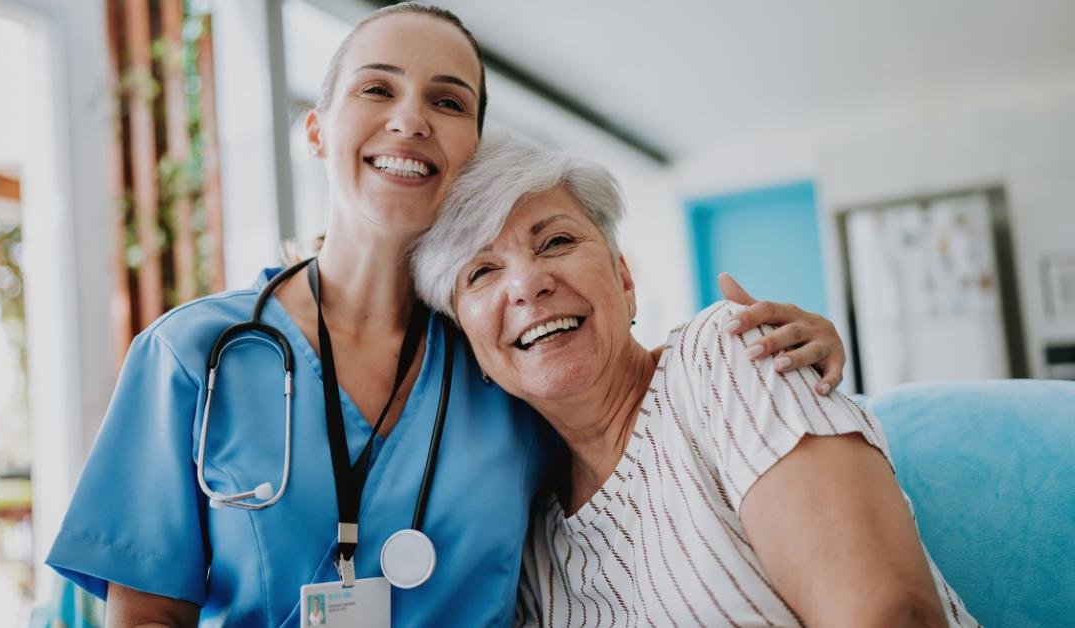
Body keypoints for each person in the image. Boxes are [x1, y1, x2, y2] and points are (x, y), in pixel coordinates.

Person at [46, 5, 848, 626]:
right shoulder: (194, 355)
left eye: (447, 100)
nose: (410, 118)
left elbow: (637, 418)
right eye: (376, 88)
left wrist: (761, 351)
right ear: (318, 129)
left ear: (470, 149)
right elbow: (148, 613)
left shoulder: (504, 355)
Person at [411, 135, 978, 627]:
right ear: (467, 341)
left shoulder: (724, 356)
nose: (528, 284)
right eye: (482, 272)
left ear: (624, 279)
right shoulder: (525, 534)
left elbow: (891, 615)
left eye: (556, 241)